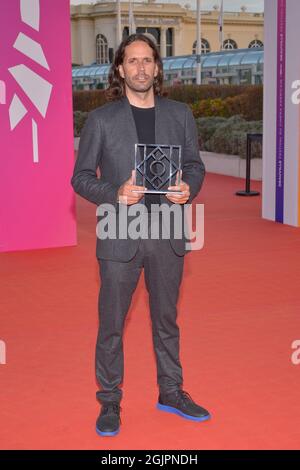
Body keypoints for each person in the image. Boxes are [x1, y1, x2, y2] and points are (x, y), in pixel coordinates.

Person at [71, 33, 210, 437]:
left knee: (166, 319)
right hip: (120, 229)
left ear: (157, 67)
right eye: (132, 61)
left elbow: (195, 166)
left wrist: (190, 188)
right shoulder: (101, 120)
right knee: (111, 322)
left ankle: (170, 391)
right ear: (120, 68)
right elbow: (80, 178)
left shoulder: (180, 114)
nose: (141, 68)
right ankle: (110, 399)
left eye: (147, 60)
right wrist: (114, 193)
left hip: (167, 230)